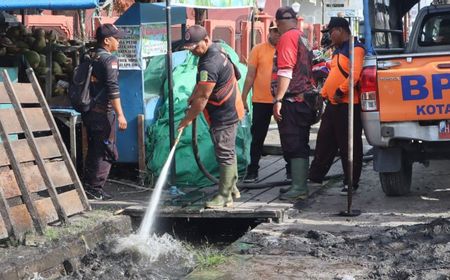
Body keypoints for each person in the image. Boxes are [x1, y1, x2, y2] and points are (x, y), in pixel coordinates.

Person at [178, 25, 245, 208]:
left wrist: (187, 120)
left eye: (195, 47)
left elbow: (203, 97)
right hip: (232, 106)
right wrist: (193, 95)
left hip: (224, 112)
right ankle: (232, 188)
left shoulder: (210, 62)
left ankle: (224, 196)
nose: (193, 52)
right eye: (189, 48)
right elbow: (201, 86)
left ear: (206, 40)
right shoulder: (216, 49)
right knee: (228, 149)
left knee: (224, 152)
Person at [308, 17, 365, 195]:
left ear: (340, 30)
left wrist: (340, 91)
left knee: (349, 145)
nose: (330, 36)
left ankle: (351, 182)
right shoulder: (337, 50)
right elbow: (334, 73)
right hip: (333, 104)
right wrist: (323, 94)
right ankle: (315, 176)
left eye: (331, 32)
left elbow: (354, 74)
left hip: (347, 105)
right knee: (324, 140)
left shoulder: (355, 48)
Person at [272, 7, 316, 201]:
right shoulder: (301, 36)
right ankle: (298, 184)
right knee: (300, 141)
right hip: (305, 98)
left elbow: (285, 71)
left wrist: (278, 99)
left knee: (294, 142)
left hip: (293, 99)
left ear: (279, 23)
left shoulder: (287, 38)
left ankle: (299, 187)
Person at [241, 22, 292, 183]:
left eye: (279, 31)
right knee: (257, 137)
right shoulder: (258, 49)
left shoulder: (287, 49)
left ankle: (291, 170)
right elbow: (250, 76)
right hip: (261, 100)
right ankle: (253, 170)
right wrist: (243, 97)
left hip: (282, 100)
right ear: (269, 32)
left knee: (287, 136)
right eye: (274, 31)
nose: (277, 34)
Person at [83, 24, 128, 200]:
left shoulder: (89, 56)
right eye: (117, 38)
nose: (119, 41)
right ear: (107, 40)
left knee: (94, 148)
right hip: (103, 113)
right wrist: (121, 114)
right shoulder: (110, 60)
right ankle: (95, 188)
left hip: (89, 110)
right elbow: (112, 89)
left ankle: (89, 186)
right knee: (107, 150)